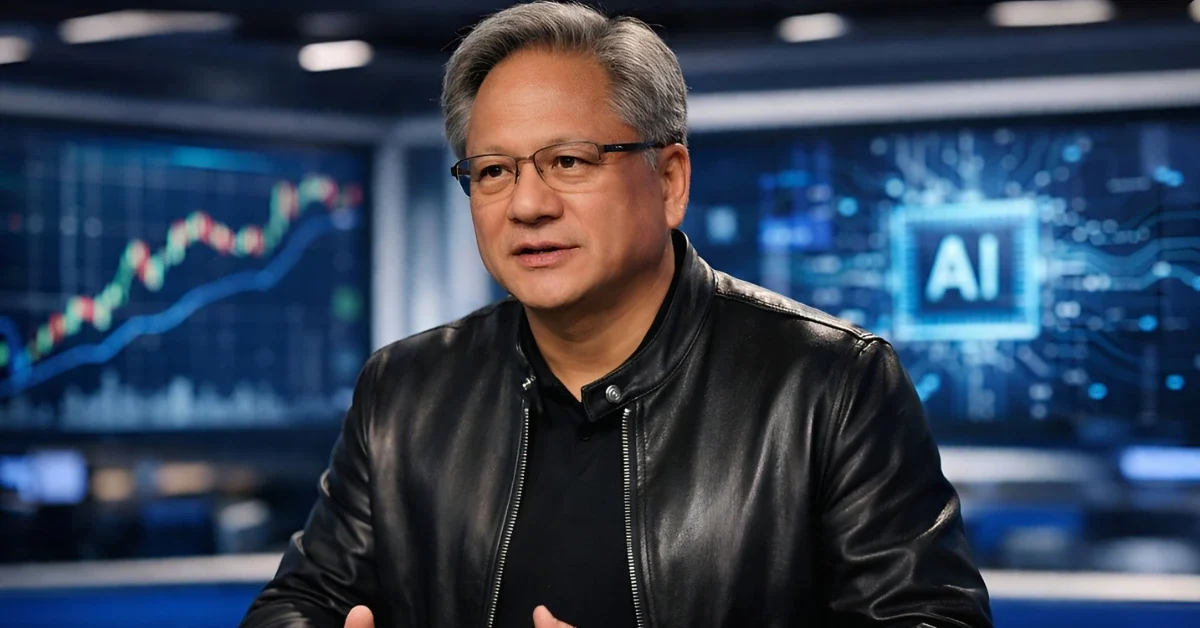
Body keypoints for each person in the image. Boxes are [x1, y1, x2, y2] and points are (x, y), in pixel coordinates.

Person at [241, 2, 993, 627]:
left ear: (668, 179)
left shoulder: (832, 384)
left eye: (569, 161)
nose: (528, 205)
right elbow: (298, 602)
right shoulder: (405, 389)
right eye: (494, 172)